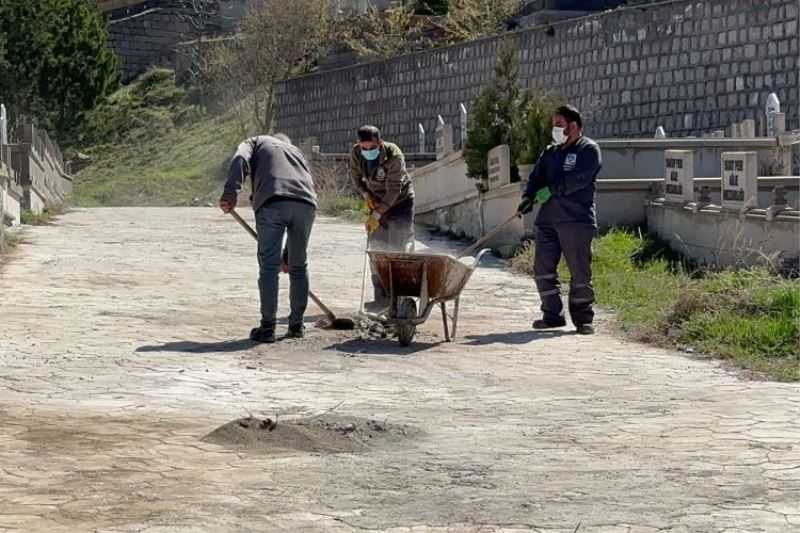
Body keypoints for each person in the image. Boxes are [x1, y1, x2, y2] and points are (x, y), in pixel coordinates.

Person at [220, 133, 317, 343]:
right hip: (306, 203)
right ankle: (296, 325)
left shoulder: (256, 141)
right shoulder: (297, 152)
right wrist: (288, 256)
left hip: (273, 201)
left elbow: (239, 159)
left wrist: (230, 194)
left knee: (269, 267)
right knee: (298, 266)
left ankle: (267, 328)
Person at [517, 105, 602, 335]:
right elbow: (536, 178)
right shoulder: (550, 153)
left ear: (573, 126)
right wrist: (528, 197)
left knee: (580, 271)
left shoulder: (588, 150)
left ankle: (583, 318)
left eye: (558, 124)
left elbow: (580, 179)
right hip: (547, 222)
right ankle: (552, 315)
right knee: (543, 270)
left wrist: (552, 190)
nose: (554, 130)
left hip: (576, 221)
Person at [349, 125, 415, 311]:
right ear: (359, 144)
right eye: (364, 148)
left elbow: (394, 190)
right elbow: (356, 177)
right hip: (377, 201)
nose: (368, 151)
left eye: (372, 148)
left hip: (400, 203)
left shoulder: (394, 155)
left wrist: (377, 214)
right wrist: (366, 195)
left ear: (380, 142)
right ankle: (381, 299)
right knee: (377, 251)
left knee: (396, 251)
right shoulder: (356, 152)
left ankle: (398, 301)